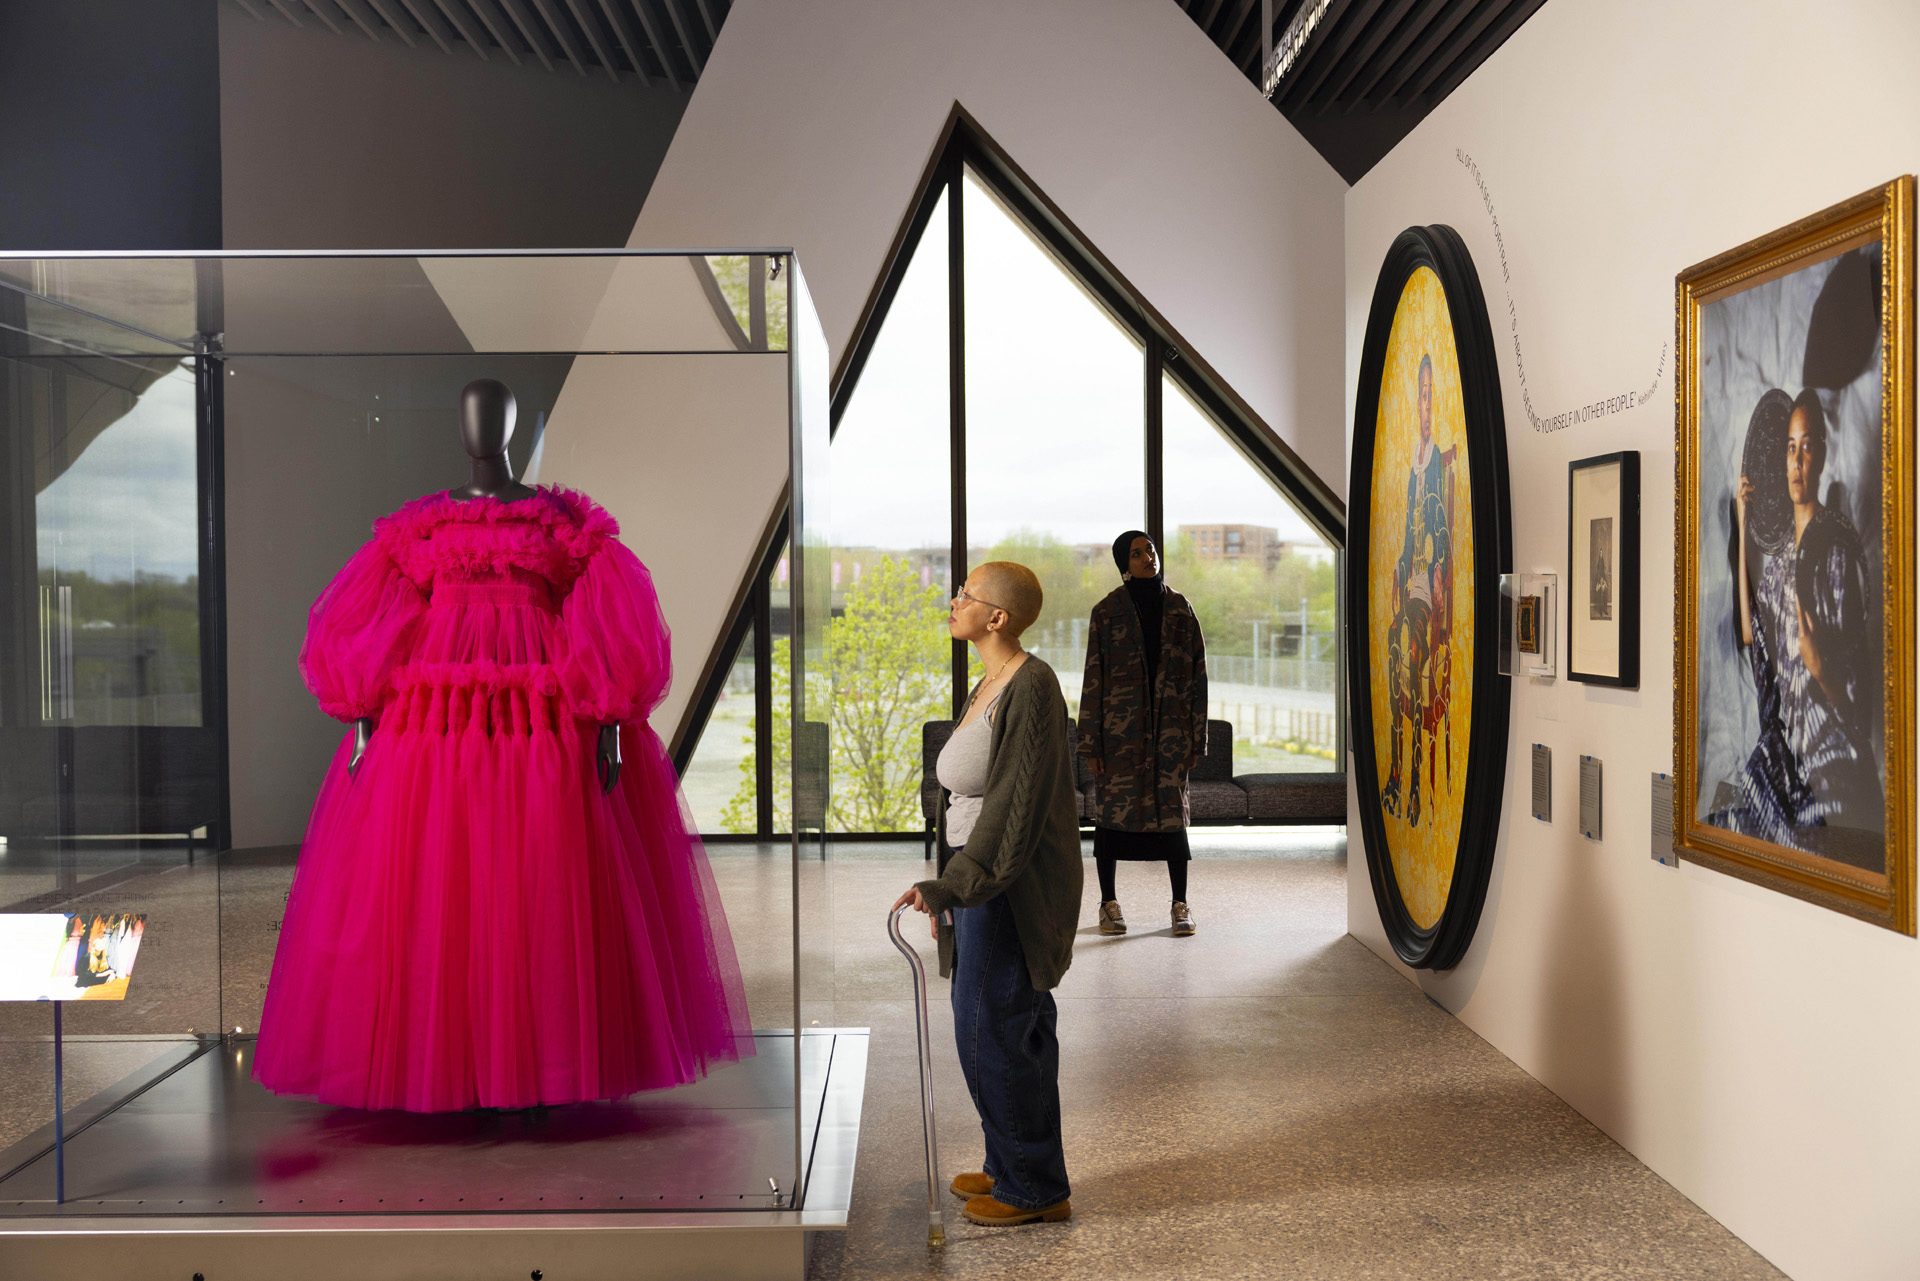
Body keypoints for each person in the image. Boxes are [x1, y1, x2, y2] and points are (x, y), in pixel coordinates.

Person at [893, 561, 1082, 1228]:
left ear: (997, 616)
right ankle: (1011, 1163)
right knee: (998, 1028)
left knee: (995, 1032)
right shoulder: (991, 682)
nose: (954, 601)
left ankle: (1034, 1187)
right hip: (983, 883)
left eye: (966, 594)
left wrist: (953, 887)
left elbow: (1013, 810)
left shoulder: (1032, 686)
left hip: (1007, 889)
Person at [1725, 388, 1881, 866]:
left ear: (1823, 455)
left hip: (1831, 754)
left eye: (1807, 446)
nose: (1796, 461)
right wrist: (1743, 526)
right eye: (1790, 448)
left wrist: (1820, 666)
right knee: (1741, 825)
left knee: (1813, 844)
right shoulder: (1777, 565)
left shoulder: (1836, 551)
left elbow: (1856, 705)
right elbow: (1751, 637)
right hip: (1786, 749)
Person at [1077, 531, 1207, 937]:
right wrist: (1090, 743)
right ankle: (1108, 904)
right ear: (1124, 564)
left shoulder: (1181, 608)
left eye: (1150, 549)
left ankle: (1180, 905)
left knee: (1173, 821)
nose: (1148, 556)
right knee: (1111, 823)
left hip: (1171, 735)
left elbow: (1198, 677)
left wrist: (1197, 738)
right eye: (1137, 553)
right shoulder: (1107, 612)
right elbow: (1093, 679)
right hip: (1120, 740)